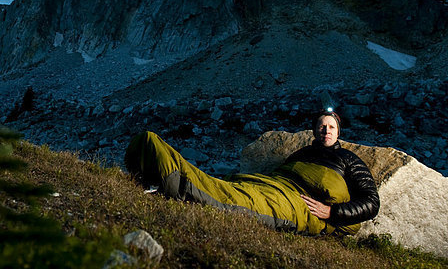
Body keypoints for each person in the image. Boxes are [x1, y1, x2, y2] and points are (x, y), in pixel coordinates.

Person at [124, 109, 380, 235]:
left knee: (242, 202)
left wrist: (332, 212)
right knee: (234, 188)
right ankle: (160, 164)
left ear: (339, 132)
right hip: (272, 186)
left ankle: (170, 178)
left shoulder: (349, 160)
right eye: (321, 126)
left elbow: (371, 202)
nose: (326, 130)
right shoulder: (301, 154)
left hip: (296, 204)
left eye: (331, 127)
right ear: (314, 131)